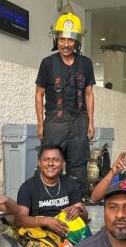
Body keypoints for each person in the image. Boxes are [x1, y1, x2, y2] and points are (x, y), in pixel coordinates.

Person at [14, 144, 88, 247]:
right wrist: (45, 221)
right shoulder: (28, 187)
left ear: (63, 163)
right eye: (46, 159)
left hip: (67, 232)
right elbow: (20, 219)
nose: (50, 164)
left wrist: (79, 210)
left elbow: (84, 217)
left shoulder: (70, 184)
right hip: (40, 234)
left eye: (55, 160)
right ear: (39, 162)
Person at [36, 10, 96, 195]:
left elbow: (89, 94)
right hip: (55, 121)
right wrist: (40, 124)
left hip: (80, 120)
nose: (66, 44)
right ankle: (45, 198)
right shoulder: (47, 63)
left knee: (78, 164)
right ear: (56, 40)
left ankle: (76, 202)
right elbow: (39, 94)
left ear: (77, 41)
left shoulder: (86, 63)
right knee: (50, 161)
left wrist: (91, 122)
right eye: (62, 39)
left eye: (70, 40)